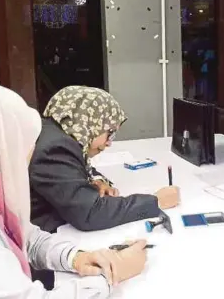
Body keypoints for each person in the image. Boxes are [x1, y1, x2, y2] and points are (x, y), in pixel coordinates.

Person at [0, 82, 148, 298]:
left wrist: (77, 257)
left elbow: (27, 237)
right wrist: (112, 275)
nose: (31, 150)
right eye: (23, 141)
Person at [29, 86, 181, 234]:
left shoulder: (56, 132)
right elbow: (90, 213)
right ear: (89, 122)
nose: (109, 143)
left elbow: (75, 166)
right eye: (110, 133)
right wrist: (155, 202)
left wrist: (95, 179)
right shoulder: (56, 148)